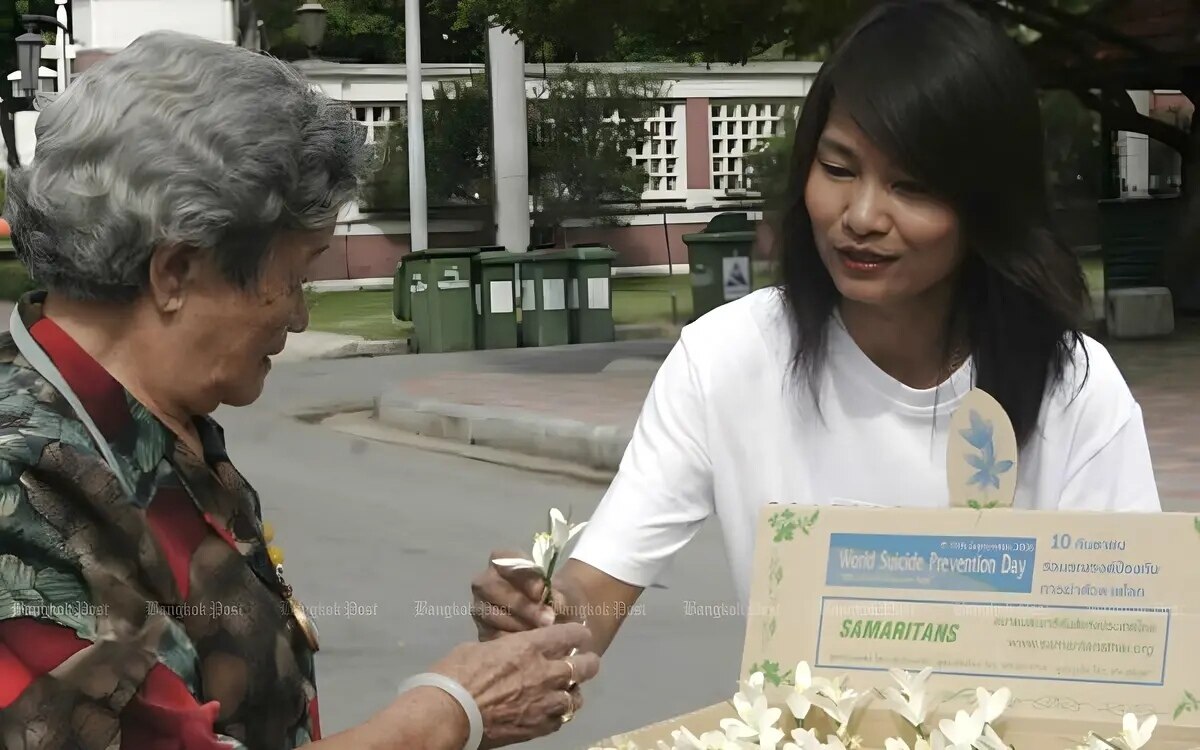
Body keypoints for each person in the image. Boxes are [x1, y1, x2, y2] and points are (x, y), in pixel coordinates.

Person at [471, 0, 1161, 657]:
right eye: (837, 169)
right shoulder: (725, 360)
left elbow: (1126, 643)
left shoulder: (1074, 385)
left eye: (911, 186)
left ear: (988, 204)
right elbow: (594, 593)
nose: (860, 214)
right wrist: (542, 616)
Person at [0, 31, 598, 750]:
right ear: (177, 272)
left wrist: (492, 676)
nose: (301, 314)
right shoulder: (20, 484)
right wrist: (455, 713)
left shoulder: (148, 425)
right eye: (297, 274)